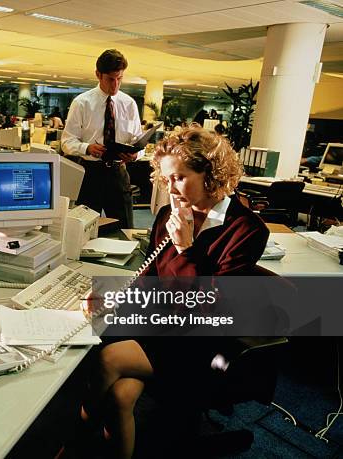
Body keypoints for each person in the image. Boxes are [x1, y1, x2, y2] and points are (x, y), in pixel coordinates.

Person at [81, 127, 269, 459]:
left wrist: (186, 250)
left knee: (107, 357)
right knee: (121, 395)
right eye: (166, 179)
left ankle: (73, 438)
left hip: (201, 340)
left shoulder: (246, 230)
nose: (170, 188)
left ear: (211, 174)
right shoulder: (169, 214)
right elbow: (151, 279)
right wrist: (115, 298)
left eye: (180, 178)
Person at [61, 49, 142, 229]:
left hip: (118, 173)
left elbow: (138, 140)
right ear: (98, 75)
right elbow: (66, 142)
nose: (115, 85)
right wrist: (87, 148)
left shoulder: (128, 104)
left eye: (119, 79)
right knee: (84, 229)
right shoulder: (82, 103)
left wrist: (136, 154)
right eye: (110, 79)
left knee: (125, 228)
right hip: (90, 174)